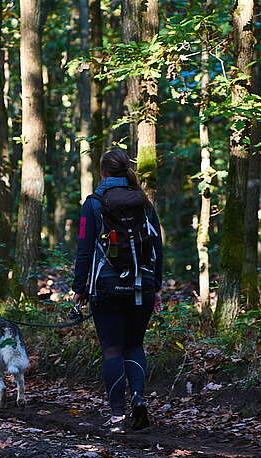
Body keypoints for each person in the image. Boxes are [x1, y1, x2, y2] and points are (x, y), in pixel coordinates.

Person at [71, 148, 163, 434]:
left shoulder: (92, 204)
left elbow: (84, 250)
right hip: (142, 286)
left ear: (103, 172)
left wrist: (79, 289)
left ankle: (116, 416)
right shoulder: (145, 203)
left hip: (107, 288)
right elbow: (157, 248)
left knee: (112, 350)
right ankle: (138, 397)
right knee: (134, 345)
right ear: (126, 171)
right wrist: (156, 287)